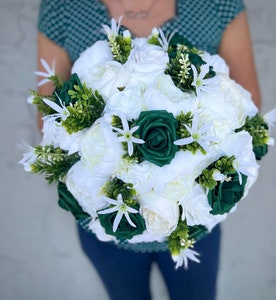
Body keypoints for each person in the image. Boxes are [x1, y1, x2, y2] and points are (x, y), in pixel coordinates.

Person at [36, 1, 262, 299]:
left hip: (192, 221)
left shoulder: (218, 4)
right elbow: (51, 120)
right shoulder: (62, 7)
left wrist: (187, 175)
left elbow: (248, 112)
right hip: (107, 220)